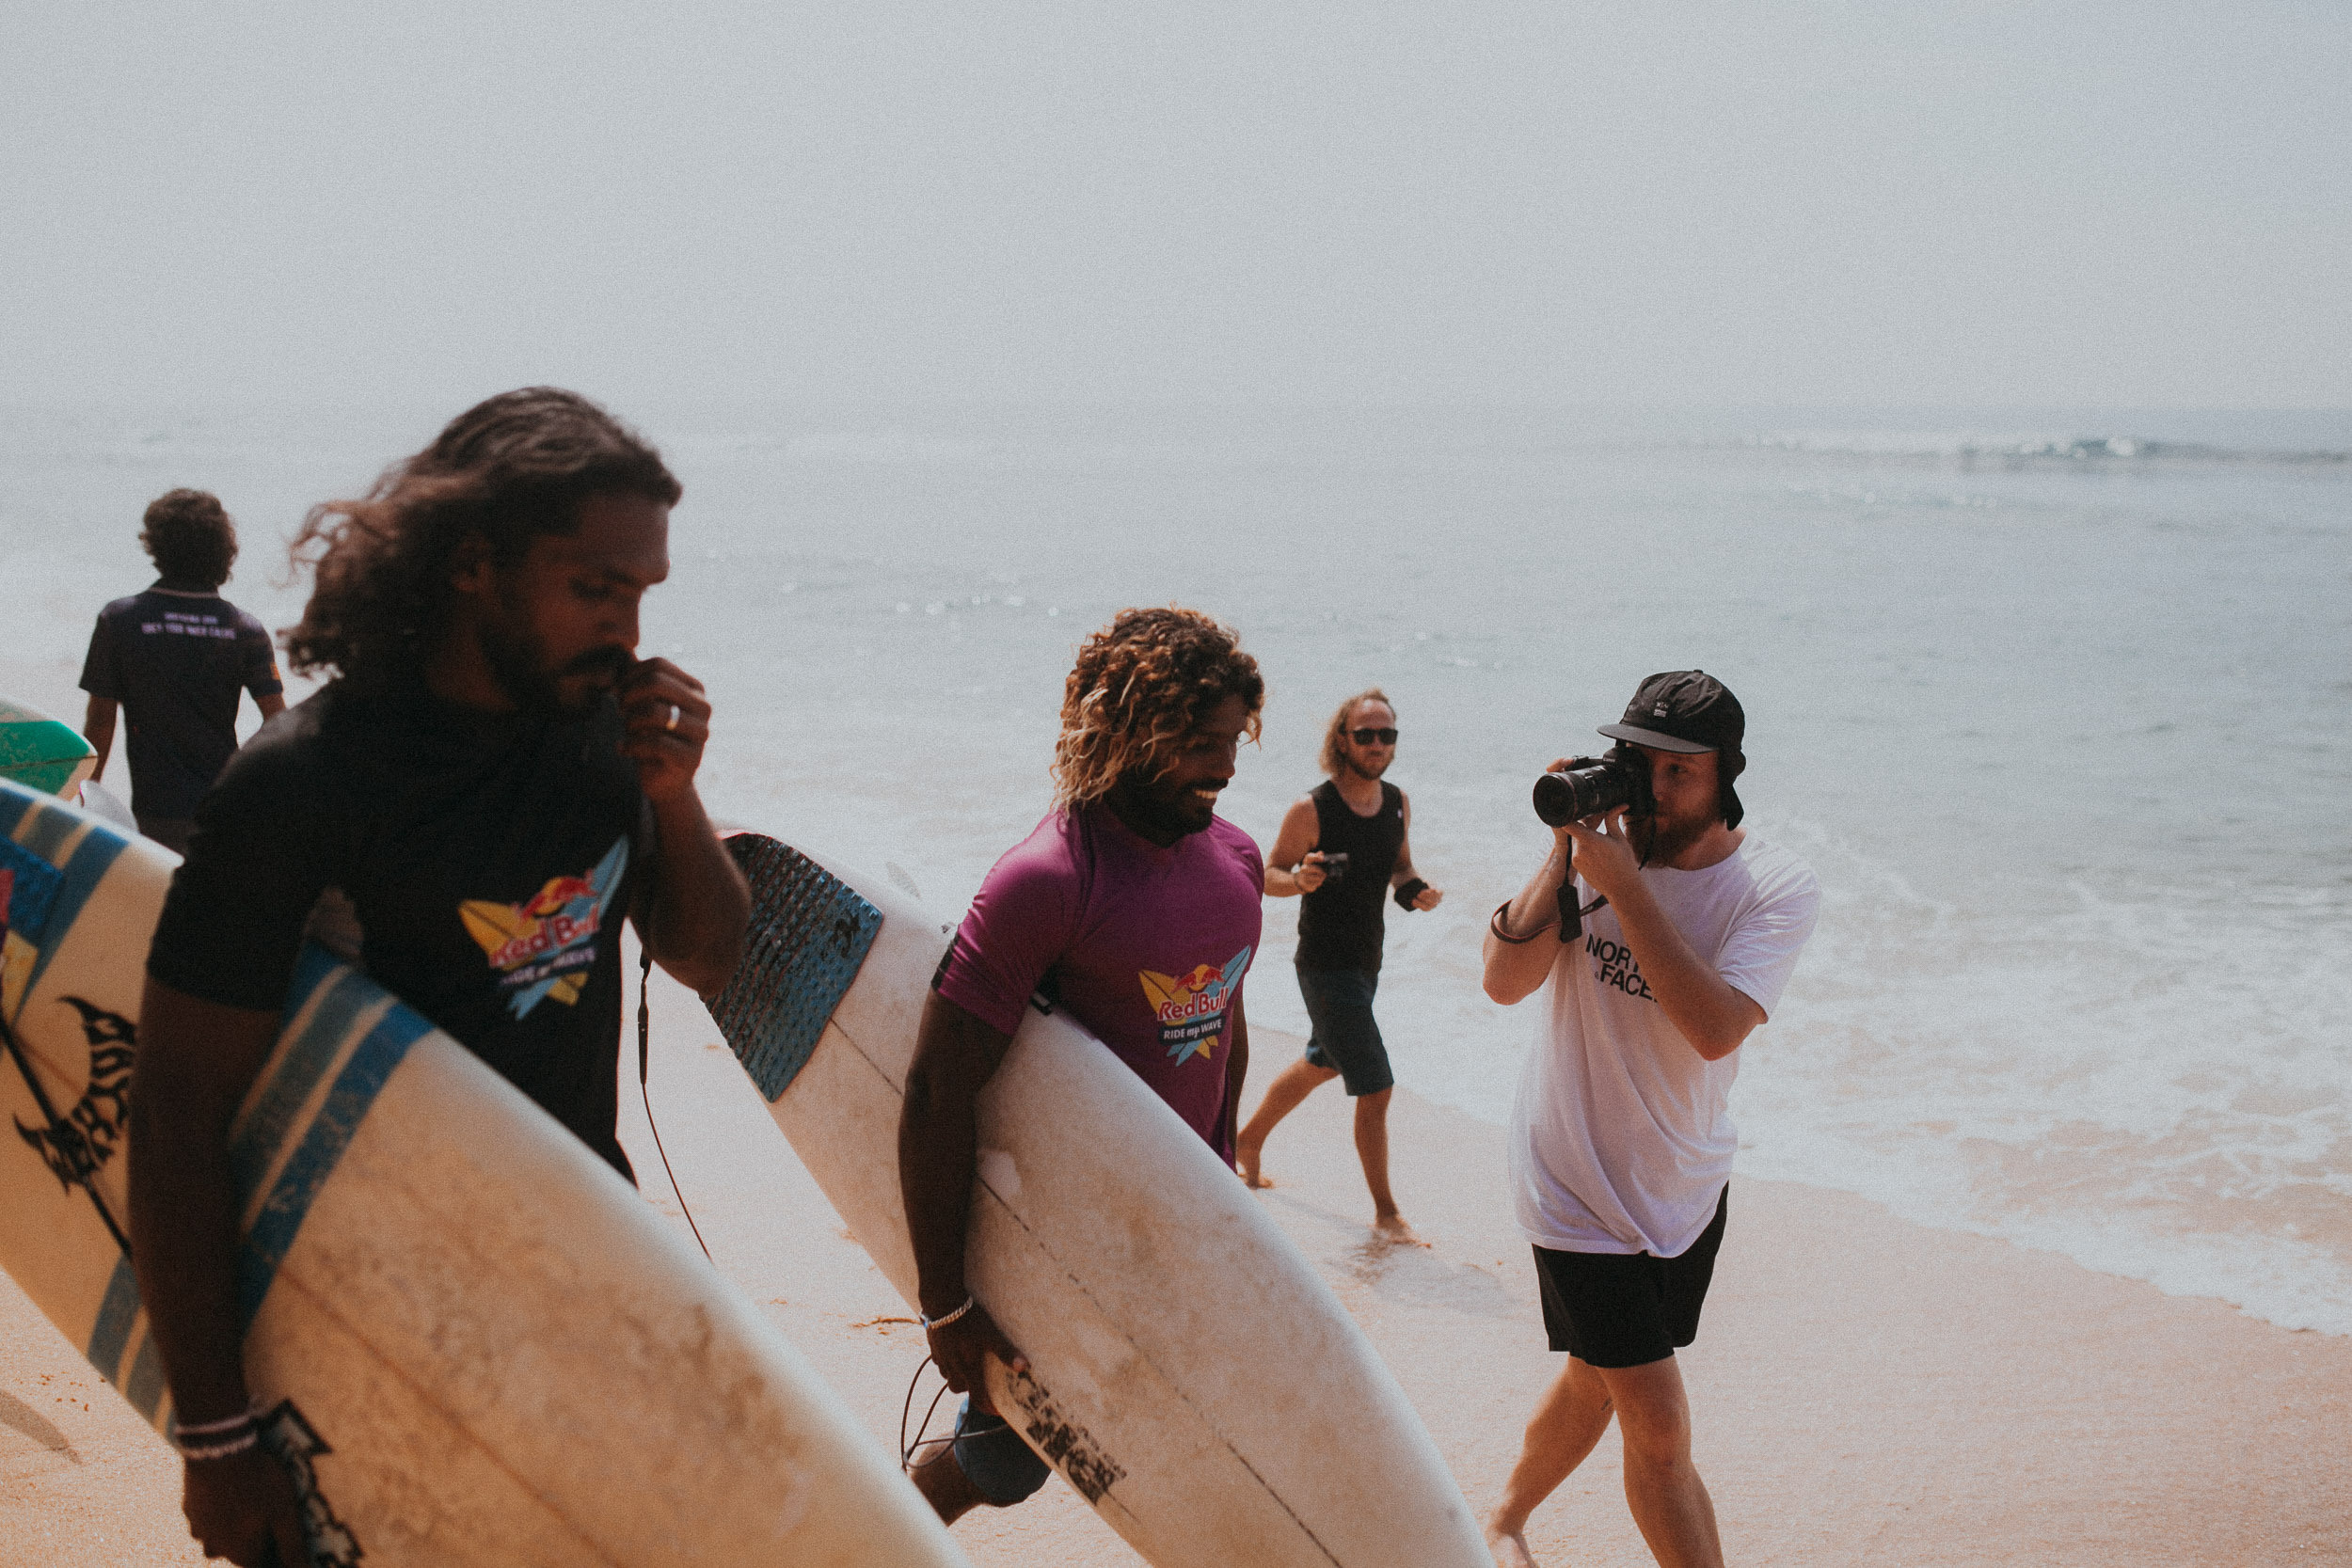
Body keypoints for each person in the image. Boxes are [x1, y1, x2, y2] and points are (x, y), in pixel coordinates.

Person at [126, 388, 751, 1568]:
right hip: (357, 1324)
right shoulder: (303, 783)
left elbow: (703, 954)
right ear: (474, 564)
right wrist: (214, 1434)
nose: (627, 628)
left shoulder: (598, 737)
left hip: (579, 1276)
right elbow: (175, 1111)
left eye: (641, 594)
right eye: (594, 587)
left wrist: (674, 796)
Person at [898, 606, 1266, 1524]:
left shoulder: (1237, 857)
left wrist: (1223, 1190)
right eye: (1197, 740)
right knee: (1008, 1458)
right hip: (1073, 1235)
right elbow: (938, 1087)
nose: (1222, 765)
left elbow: (1224, 1018)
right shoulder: (1048, 880)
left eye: (1230, 741)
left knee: (1204, 1452)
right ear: (1129, 727)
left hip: (1185, 1220)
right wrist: (947, 1300)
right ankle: (866, 1538)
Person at [1480, 672, 1818, 1568]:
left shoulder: (1773, 887)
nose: (1657, 791)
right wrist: (1564, 852)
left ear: (1726, 774)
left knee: (1598, 1378)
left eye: (1681, 774)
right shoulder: (1592, 864)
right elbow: (1503, 982)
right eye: (1642, 765)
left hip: (1683, 1183)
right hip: (1570, 1179)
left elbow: (1712, 1030)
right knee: (1660, 1429)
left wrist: (1626, 887)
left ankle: (1501, 1517)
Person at [1235, 688, 1442, 1236]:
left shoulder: (1396, 801)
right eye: (1366, 734)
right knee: (1375, 1085)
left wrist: (1416, 891)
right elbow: (1267, 875)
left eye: (1387, 734)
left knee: (1321, 1064)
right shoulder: (1313, 809)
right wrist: (1298, 879)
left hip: (1366, 962)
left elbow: (1399, 867)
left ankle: (1247, 1142)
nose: (1378, 744)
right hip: (1324, 966)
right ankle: (1386, 1213)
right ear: (1342, 740)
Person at [79, 488, 287, 852]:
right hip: (226, 810)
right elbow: (278, 725)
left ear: (156, 546)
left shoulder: (120, 621)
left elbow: (101, 722)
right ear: (224, 551)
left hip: (155, 813)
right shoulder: (244, 629)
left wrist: (84, 799)